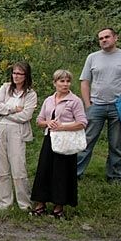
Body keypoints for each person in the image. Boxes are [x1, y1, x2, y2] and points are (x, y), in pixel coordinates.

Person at [77, 28, 121, 183]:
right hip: (96, 106)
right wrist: (88, 104)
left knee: (116, 144)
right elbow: (85, 82)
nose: (104, 40)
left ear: (115, 38)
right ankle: (74, 173)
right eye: (101, 38)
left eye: (107, 37)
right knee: (86, 141)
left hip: (119, 107)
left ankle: (115, 176)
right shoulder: (92, 57)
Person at [30, 70, 87, 219]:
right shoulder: (49, 100)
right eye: (62, 81)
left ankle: (58, 206)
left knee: (62, 173)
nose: (65, 84)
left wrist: (63, 126)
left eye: (68, 81)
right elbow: (39, 121)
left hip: (66, 141)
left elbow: (82, 122)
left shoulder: (75, 101)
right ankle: (40, 204)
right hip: (49, 139)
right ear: (54, 83)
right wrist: (48, 123)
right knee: (44, 171)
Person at [0, 62, 38, 211]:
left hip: (18, 131)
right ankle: (4, 203)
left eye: (19, 73)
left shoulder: (30, 94)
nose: (16, 76)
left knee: (18, 167)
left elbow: (25, 116)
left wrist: (5, 113)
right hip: (0, 130)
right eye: (14, 73)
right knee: (1, 166)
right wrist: (13, 109)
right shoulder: (5, 88)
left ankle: (24, 203)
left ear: (26, 76)